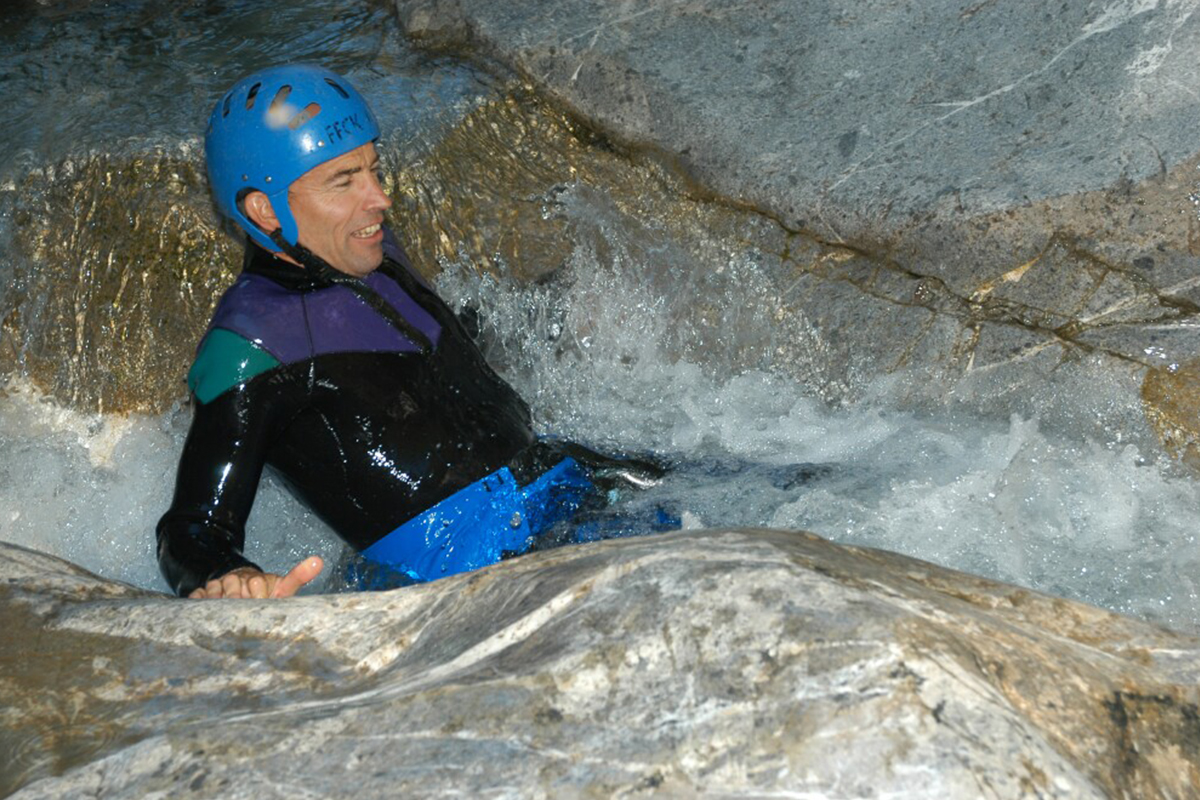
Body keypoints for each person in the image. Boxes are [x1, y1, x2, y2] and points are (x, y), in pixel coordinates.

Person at [157, 64, 662, 600]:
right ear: (265, 209)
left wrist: (550, 308)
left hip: (561, 483)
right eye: (344, 181)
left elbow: (430, 361)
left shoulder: (369, 253)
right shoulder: (249, 348)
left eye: (373, 170)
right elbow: (191, 531)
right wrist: (228, 578)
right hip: (470, 569)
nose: (379, 199)